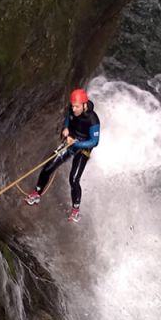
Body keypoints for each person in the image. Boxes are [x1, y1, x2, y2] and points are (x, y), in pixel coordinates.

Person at [24, 88, 100, 222]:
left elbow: (94, 142)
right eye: (72, 106)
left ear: (84, 105)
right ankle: (37, 193)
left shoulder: (93, 119)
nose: (74, 109)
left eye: (77, 107)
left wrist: (76, 144)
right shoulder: (72, 110)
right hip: (71, 141)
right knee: (48, 167)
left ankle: (75, 210)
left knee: (74, 179)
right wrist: (66, 128)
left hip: (84, 148)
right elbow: (68, 119)